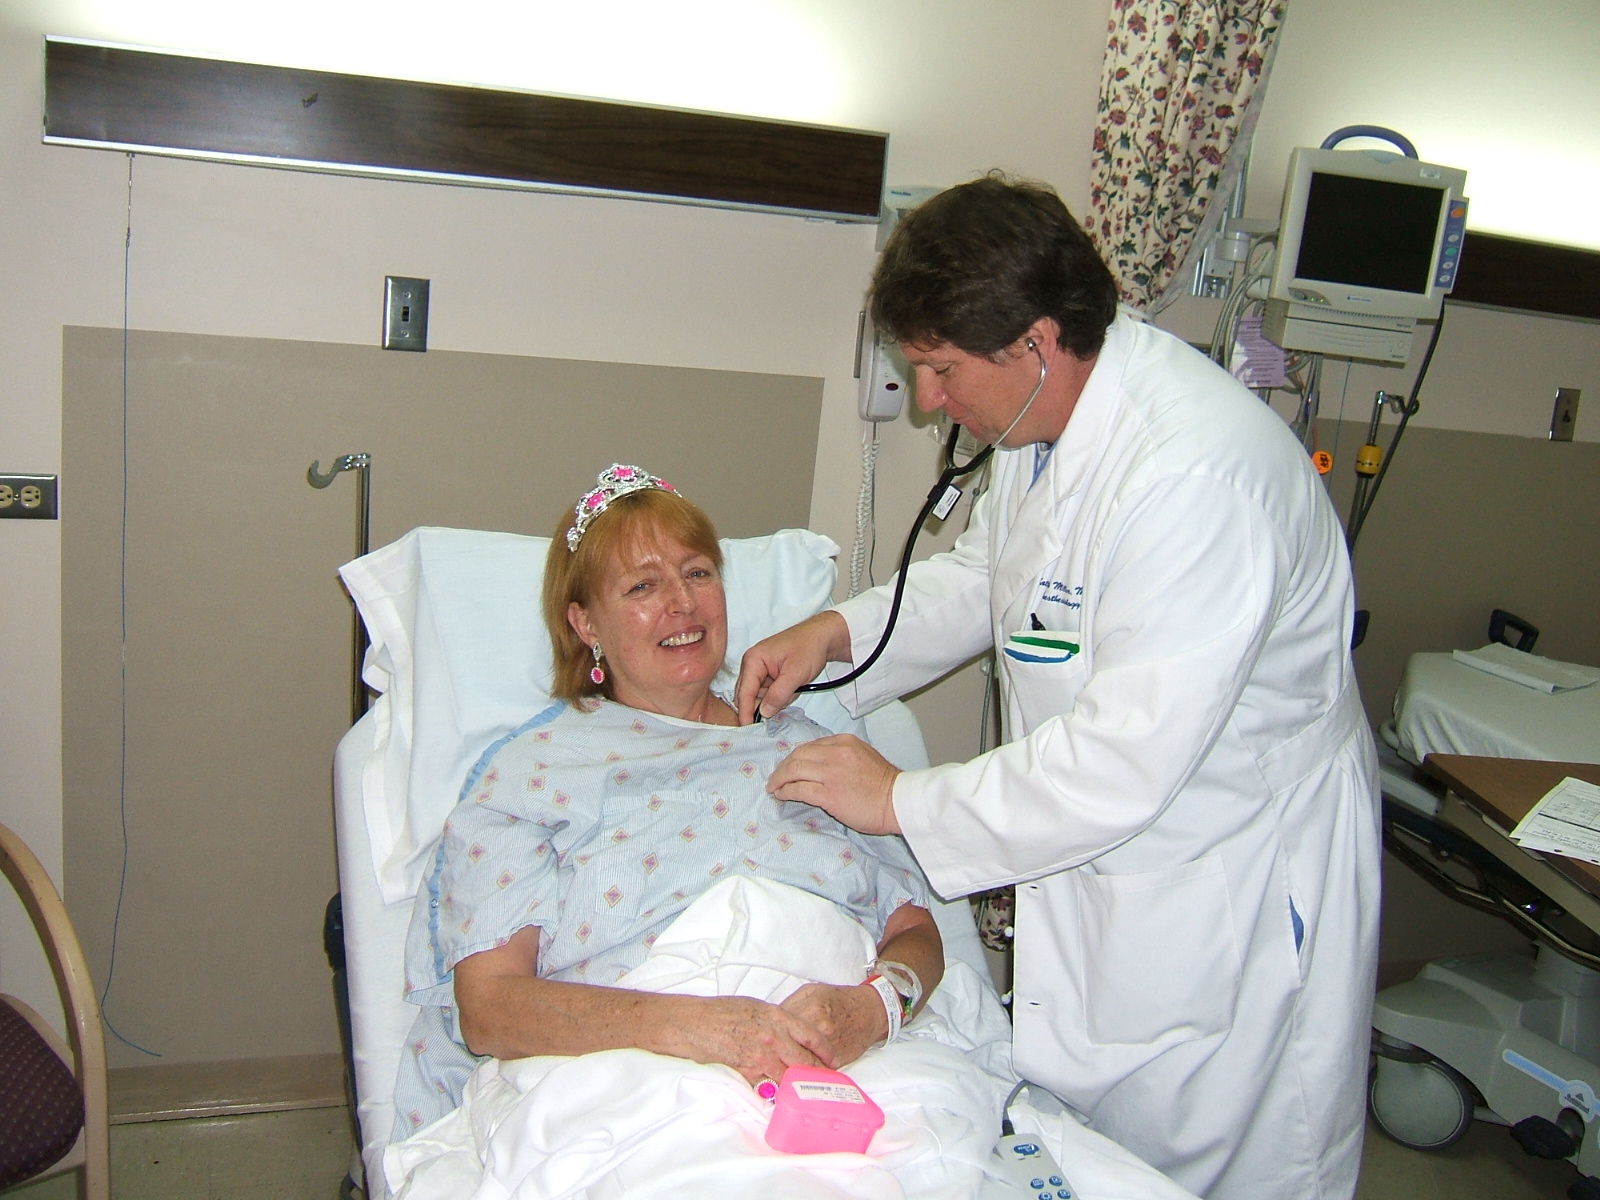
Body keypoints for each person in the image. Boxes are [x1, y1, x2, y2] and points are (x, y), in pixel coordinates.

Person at [736, 176, 1380, 1199]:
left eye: (941, 369)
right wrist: (837, 632)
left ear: (1035, 343)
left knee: (1219, 1159)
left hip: (1227, 881)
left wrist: (899, 799)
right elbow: (995, 575)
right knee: (1096, 1145)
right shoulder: (1047, 422)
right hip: (1116, 873)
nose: (929, 400)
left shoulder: (1195, 480)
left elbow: (1118, 764)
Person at [390, 465, 943, 1137]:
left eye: (698, 573)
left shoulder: (807, 748)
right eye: (643, 586)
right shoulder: (532, 778)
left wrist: (875, 1009)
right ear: (584, 622)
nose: (682, 603)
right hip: (636, 1085)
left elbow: (916, 933)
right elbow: (490, 1009)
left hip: (848, 1067)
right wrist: (704, 1030)